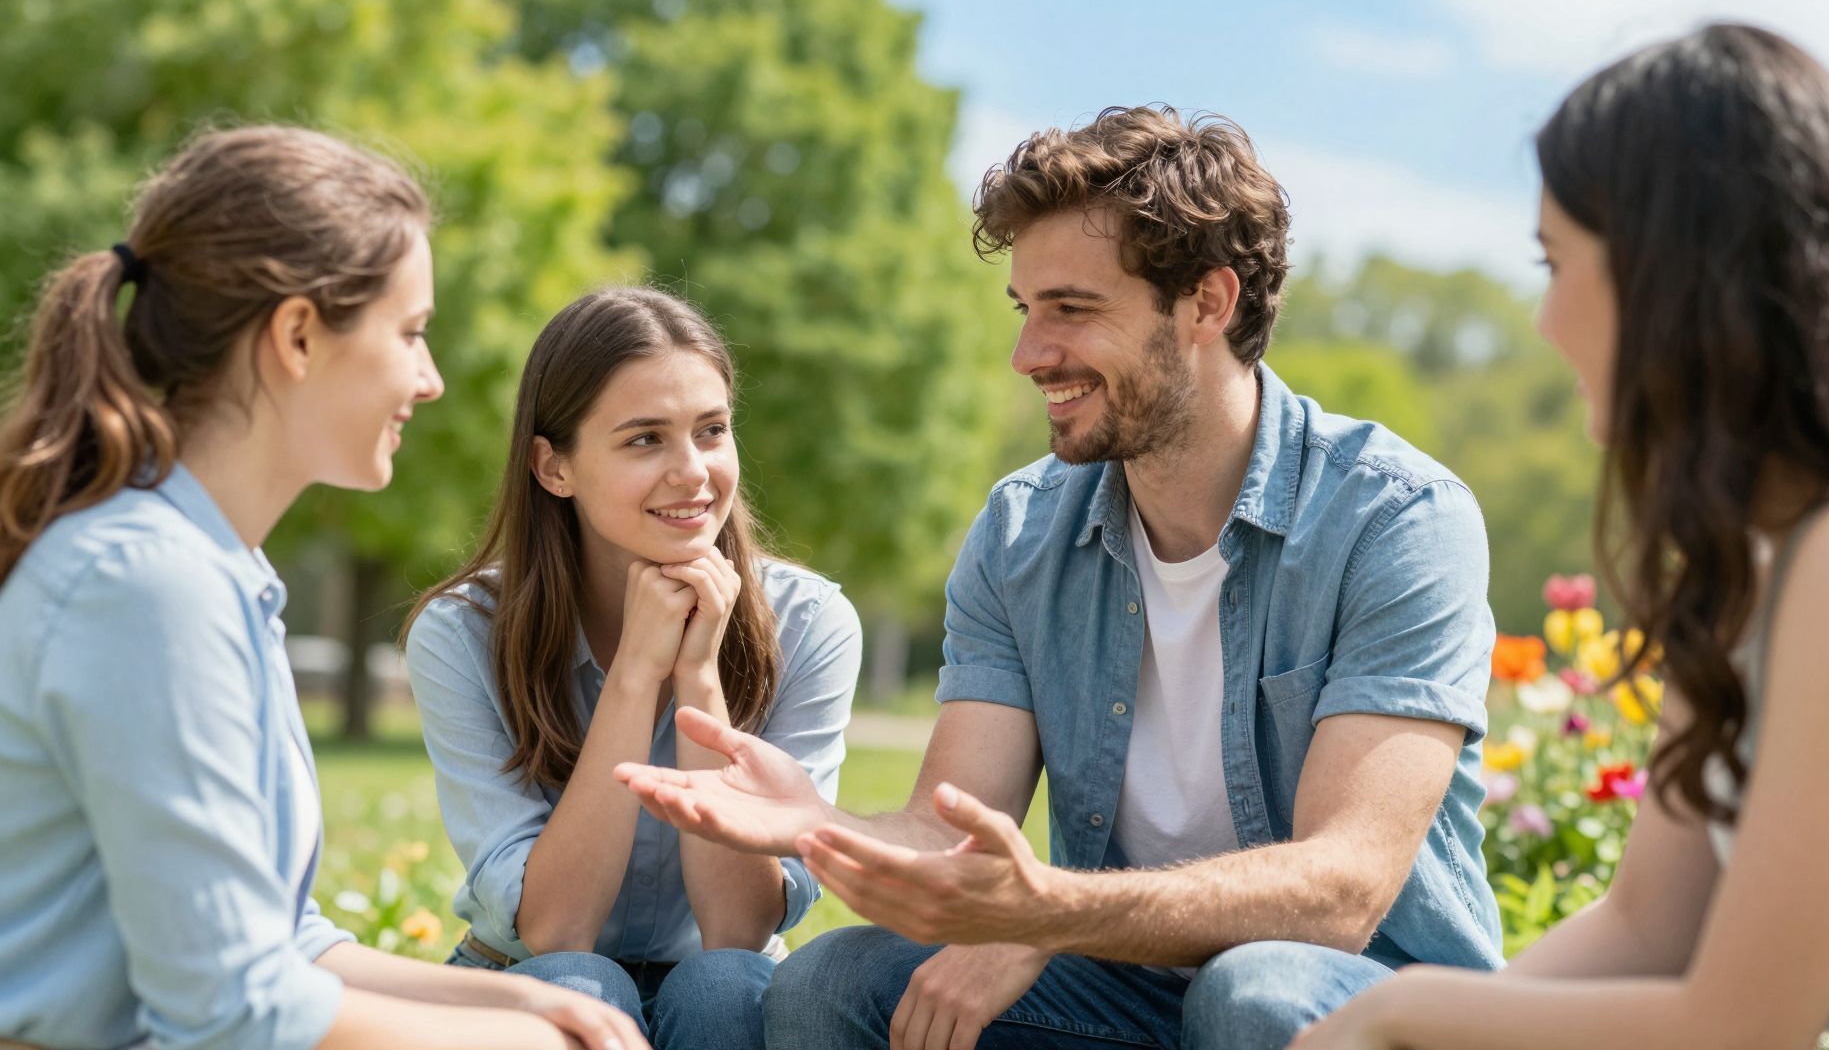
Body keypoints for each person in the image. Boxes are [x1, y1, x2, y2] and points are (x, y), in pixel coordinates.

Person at [619, 106, 1504, 1050]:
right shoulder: (1020, 532)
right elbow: (952, 832)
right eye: (1027, 310)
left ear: (1209, 303)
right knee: (835, 985)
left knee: (1252, 992)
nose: (1029, 354)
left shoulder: (1395, 519)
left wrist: (1049, 916)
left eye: (1072, 310)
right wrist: (820, 823)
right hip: (1123, 984)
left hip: (1369, 997)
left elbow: (1342, 894)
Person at [1293, 23, 1829, 1050]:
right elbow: (1648, 927)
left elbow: (1744, 1025)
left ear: (1671, 278)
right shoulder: (1748, 564)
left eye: (1555, 263)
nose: (1541, 319)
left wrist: (1399, 1013)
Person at [0, 126, 648, 1050]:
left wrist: (521, 1002)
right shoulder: (145, 585)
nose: (429, 381)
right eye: (411, 334)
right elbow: (229, 1008)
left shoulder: (219, 574)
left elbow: (283, 945)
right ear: (298, 335)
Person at [403, 286, 862, 1050]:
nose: (694, 473)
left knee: (725, 988)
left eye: (711, 431)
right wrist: (634, 674)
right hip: (527, 980)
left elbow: (737, 930)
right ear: (554, 468)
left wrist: (698, 676)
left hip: (726, 994)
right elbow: (556, 929)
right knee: (576, 986)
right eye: (645, 439)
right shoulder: (462, 634)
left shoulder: (811, 624)